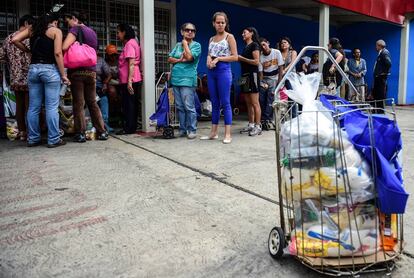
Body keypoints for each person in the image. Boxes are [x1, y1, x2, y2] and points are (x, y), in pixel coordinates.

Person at [12, 13, 70, 147]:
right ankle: (54, 139)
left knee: (33, 107)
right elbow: (57, 53)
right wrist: (63, 74)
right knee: (51, 107)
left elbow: (15, 39)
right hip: (49, 70)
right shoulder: (55, 31)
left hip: (33, 70)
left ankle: (33, 139)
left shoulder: (33, 29)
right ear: (54, 22)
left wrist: (28, 50)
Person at [63, 11, 108, 142]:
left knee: (79, 103)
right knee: (92, 102)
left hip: (77, 72)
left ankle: (81, 133)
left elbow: (65, 46)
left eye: (68, 21)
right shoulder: (92, 32)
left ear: (74, 19)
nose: (68, 25)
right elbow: (95, 50)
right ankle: (102, 131)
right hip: (91, 72)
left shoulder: (75, 29)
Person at [201, 12, 238, 144]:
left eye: (223, 22)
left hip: (223, 70)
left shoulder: (229, 37)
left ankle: (228, 134)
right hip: (212, 72)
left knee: (225, 102)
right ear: (213, 23)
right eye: (218, 22)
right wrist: (208, 60)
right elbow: (209, 54)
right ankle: (213, 132)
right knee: (214, 102)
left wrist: (218, 59)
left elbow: (235, 57)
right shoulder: (211, 39)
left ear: (226, 23)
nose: (220, 24)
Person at [1, 15, 34, 141]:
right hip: (29, 77)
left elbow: (2, 56)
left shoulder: (8, 38)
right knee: (30, 106)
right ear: (26, 24)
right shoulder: (27, 38)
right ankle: (32, 132)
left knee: (19, 106)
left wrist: (12, 62)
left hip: (15, 78)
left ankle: (22, 132)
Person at [168, 23, 201, 139]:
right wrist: (180, 60)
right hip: (175, 79)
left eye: (192, 30)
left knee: (189, 106)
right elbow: (169, 59)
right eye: (187, 30)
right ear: (182, 32)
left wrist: (185, 44)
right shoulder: (177, 46)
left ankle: (192, 130)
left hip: (188, 80)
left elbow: (190, 58)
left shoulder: (196, 45)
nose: (190, 32)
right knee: (180, 106)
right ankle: (182, 129)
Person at [115, 23, 142, 135]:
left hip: (130, 79)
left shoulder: (129, 44)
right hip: (133, 78)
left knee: (129, 105)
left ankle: (129, 128)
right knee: (132, 104)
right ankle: (131, 127)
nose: (117, 35)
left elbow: (131, 63)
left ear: (124, 32)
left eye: (118, 32)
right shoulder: (133, 43)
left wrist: (129, 82)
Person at [238, 27, 262, 136]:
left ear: (251, 33)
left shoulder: (255, 45)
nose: (243, 34)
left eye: (245, 32)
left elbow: (256, 62)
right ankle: (251, 124)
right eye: (242, 32)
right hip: (244, 76)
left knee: (255, 102)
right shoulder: (245, 47)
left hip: (253, 75)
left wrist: (242, 58)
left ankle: (258, 126)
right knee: (248, 102)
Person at [258, 37, 284, 131]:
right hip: (265, 78)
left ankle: (268, 120)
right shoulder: (260, 56)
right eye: (261, 46)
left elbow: (281, 68)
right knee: (261, 98)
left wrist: (279, 82)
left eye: (264, 44)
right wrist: (261, 83)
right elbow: (260, 73)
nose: (263, 47)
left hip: (275, 78)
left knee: (270, 98)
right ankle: (263, 120)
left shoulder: (276, 52)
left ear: (268, 43)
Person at [372, 39, 391, 113]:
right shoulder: (381, 52)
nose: (375, 47)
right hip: (378, 77)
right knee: (376, 93)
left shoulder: (384, 53)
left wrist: (384, 72)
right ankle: (376, 109)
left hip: (381, 77)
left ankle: (380, 110)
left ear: (379, 45)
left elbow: (388, 63)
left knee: (380, 93)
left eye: (376, 45)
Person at [96, 54, 113, 132]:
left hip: (98, 86)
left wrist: (105, 83)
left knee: (104, 99)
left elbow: (109, 74)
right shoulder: (84, 59)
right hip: (87, 86)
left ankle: (105, 124)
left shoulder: (100, 60)